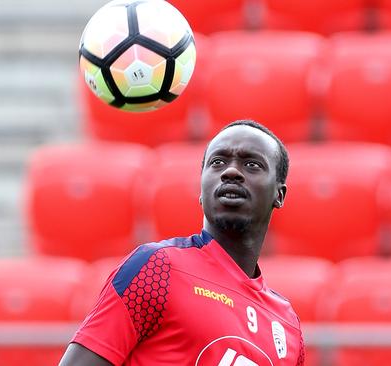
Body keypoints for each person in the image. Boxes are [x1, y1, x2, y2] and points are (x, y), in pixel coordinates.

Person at [59, 119, 305, 365]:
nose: (230, 171)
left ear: (279, 194)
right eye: (217, 162)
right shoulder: (156, 269)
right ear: (201, 189)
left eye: (252, 164)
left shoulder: (287, 323)